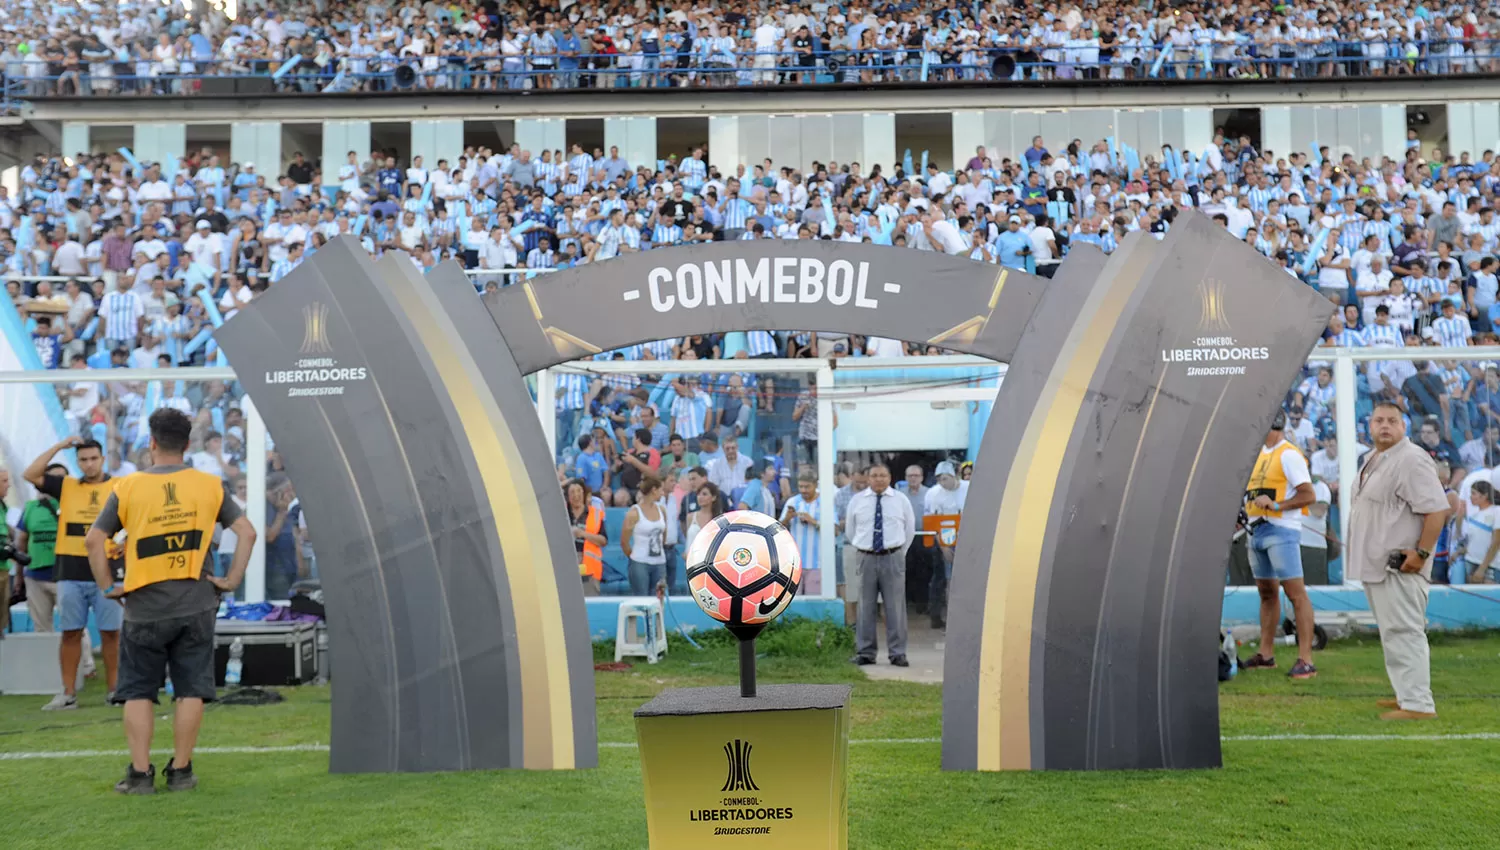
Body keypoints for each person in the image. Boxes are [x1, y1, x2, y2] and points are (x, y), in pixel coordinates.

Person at [86, 408, 256, 794]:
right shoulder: (209, 485)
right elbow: (247, 532)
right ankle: (181, 772)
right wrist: (230, 580)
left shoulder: (127, 486)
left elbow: (95, 540)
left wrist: (108, 585)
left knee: (137, 690)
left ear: (151, 443)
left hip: (144, 606)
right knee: (191, 689)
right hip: (196, 603)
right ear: (188, 444)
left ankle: (140, 775)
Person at [1347, 401, 1450, 720]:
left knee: (1405, 631)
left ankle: (1419, 705)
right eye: (1379, 420)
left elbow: (1437, 510)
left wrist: (1420, 554)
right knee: (1393, 632)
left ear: (1404, 426)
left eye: (1392, 420)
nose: (1385, 426)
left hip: (1401, 564)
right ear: (1370, 425)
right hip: (1378, 563)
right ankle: (1406, 695)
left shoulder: (1411, 459)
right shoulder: (1371, 459)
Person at [23, 438, 123, 709]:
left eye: (93, 458)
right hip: (70, 573)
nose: (89, 464)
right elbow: (30, 474)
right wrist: (59, 446)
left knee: (111, 634)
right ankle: (68, 694)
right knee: (70, 633)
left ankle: (115, 692)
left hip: (106, 574)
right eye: (83, 460)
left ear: (103, 459)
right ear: (77, 462)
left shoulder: (120, 487)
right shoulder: (66, 486)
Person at [1240, 412, 1320, 679]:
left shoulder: (1289, 454)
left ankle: (1306, 659)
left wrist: (1277, 506)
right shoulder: (1259, 454)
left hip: (1281, 529)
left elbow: (1308, 494)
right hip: (1256, 529)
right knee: (1266, 592)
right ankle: (1266, 654)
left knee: (1295, 593)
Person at [844, 464, 915, 667]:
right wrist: (865, 547)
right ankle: (865, 652)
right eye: (874, 476)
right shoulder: (857, 501)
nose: (879, 479)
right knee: (865, 606)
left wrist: (899, 552)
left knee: (895, 607)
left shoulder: (901, 500)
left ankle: (897, 653)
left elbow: (909, 529)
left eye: (883, 475)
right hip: (865, 557)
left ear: (890, 477)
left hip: (893, 556)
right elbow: (851, 530)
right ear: (868, 478)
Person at [14, 464, 70, 631]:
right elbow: (21, 543)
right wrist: (19, 577)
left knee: (74, 627)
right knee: (41, 629)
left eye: (62, 477)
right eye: (53, 477)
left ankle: (83, 659)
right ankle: (46, 658)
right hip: (35, 576)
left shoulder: (75, 505)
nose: (58, 481)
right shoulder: (31, 507)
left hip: (66, 576)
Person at [922, 461, 968, 629]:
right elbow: (934, 523)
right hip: (945, 539)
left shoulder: (968, 488)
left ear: (955, 476)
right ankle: (945, 616)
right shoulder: (934, 494)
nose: (943, 483)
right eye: (940, 479)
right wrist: (944, 546)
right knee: (945, 579)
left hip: (966, 538)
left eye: (946, 479)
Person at [621, 475, 668, 595]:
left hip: (659, 561)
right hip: (640, 562)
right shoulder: (634, 513)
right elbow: (624, 542)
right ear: (654, 490)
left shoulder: (661, 510)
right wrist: (635, 557)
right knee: (641, 599)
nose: (662, 493)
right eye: (660, 490)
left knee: (659, 599)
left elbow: (664, 535)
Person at [780, 473, 821, 595]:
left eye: (807, 487)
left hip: (816, 563)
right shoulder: (792, 501)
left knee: (814, 602)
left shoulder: (824, 503)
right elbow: (779, 528)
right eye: (801, 487)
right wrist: (787, 518)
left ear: (815, 485)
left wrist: (813, 521)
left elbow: (834, 530)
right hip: (794, 563)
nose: (803, 490)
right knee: (792, 601)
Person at [564, 478, 607, 596]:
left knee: (590, 604)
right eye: (572, 492)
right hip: (567, 565)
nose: (576, 495)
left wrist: (582, 534)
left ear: (584, 494)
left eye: (579, 491)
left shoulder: (595, 514)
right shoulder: (563, 515)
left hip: (590, 567)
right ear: (568, 496)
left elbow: (603, 540)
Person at [1457, 480, 1500, 584]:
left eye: (1474, 493)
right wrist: (1459, 552)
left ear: (1484, 496)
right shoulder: (1474, 516)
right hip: (1470, 562)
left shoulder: (1496, 511)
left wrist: (1482, 568)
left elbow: (1496, 542)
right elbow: (1474, 541)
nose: (1471, 497)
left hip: (1489, 566)